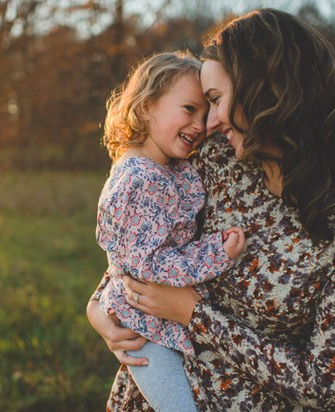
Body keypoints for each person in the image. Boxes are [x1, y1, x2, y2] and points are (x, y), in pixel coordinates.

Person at [87, 8, 335, 411]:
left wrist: (194, 315)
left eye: (216, 101)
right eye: (202, 105)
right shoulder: (215, 161)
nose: (210, 123)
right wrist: (98, 307)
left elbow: (323, 382)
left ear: (269, 91)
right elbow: (144, 246)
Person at [96, 51, 246, 412]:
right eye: (189, 109)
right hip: (143, 328)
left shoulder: (166, 167)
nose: (201, 123)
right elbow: (148, 266)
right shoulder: (139, 180)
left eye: (205, 111)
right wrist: (216, 254)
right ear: (147, 106)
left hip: (155, 319)